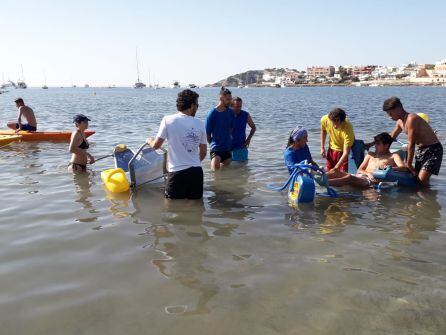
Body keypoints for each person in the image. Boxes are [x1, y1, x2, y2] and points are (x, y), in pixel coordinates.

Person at [147, 89, 207, 199]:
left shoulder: (168, 120)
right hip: (196, 172)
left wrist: (149, 141)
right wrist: (192, 161)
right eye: (197, 105)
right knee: (196, 206)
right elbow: (203, 153)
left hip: (177, 172)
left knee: (171, 207)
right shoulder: (200, 123)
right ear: (192, 105)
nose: (197, 108)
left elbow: (156, 145)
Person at [383, 96, 443, 187]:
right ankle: (422, 197)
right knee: (416, 178)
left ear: (398, 109)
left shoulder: (412, 119)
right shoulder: (399, 122)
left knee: (422, 180)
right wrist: (373, 144)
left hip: (433, 149)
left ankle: (428, 199)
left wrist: (409, 164)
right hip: (421, 150)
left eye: (390, 114)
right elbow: (391, 137)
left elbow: (411, 143)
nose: (389, 117)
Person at [327, 132, 406, 188]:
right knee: (335, 171)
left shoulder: (393, 156)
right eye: (375, 143)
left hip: (370, 181)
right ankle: (317, 178)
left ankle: (325, 183)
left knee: (349, 178)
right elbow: (359, 170)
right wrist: (368, 174)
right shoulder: (370, 154)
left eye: (378, 144)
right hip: (362, 176)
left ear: (386, 145)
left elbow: (404, 168)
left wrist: (391, 168)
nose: (375, 146)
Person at [205, 87, 234, 170]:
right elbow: (207, 133)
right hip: (216, 149)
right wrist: (213, 144)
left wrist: (228, 140)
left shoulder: (231, 112)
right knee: (215, 175)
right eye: (228, 99)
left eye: (230, 99)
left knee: (226, 176)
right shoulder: (212, 113)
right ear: (221, 97)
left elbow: (231, 128)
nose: (230, 101)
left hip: (227, 148)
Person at [320, 108, 355, 172]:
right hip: (331, 150)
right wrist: (322, 147)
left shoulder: (348, 128)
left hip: (343, 152)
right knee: (328, 171)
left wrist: (336, 168)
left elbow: (346, 152)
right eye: (333, 123)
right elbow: (323, 131)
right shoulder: (325, 119)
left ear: (342, 121)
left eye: (336, 123)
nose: (334, 126)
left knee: (341, 174)